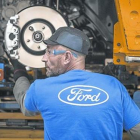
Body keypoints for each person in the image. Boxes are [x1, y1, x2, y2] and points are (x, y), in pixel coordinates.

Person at [12, 27, 140, 140]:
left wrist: (20, 73)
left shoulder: (41, 88)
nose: (44, 58)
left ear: (67, 57)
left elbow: (26, 105)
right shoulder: (114, 86)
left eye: (49, 52)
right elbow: (137, 131)